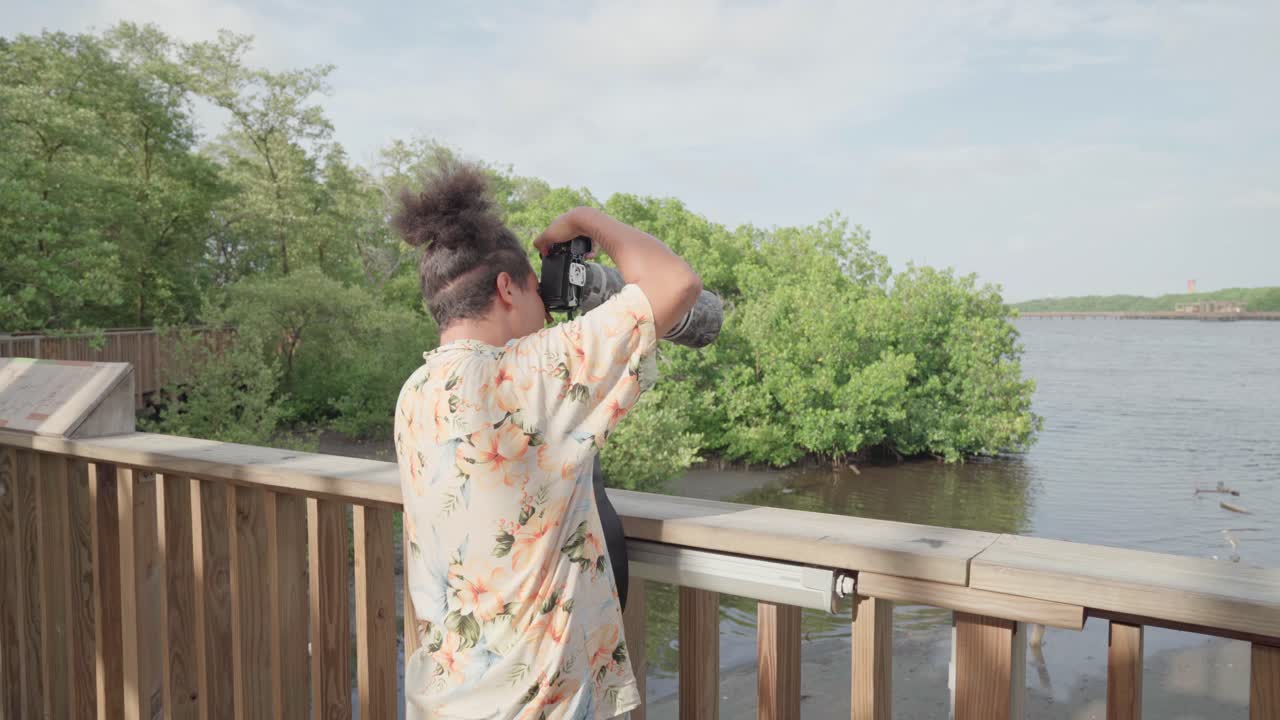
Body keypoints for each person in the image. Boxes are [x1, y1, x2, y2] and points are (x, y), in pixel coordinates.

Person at [392, 162, 702, 720]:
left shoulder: (416, 392)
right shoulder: (527, 375)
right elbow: (676, 285)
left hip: (440, 699)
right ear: (507, 287)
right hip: (536, 704)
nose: (545, 317)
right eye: (538, 294)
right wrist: (585, 219)